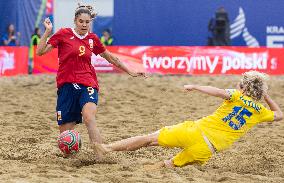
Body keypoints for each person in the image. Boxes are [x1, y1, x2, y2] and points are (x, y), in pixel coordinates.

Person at [95, 71, 283, 168]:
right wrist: (265, 96)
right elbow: (279, 115)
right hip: (205, 149)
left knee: (149, 139)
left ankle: (107, 148)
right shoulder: (260, 111)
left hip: (194, 131)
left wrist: (195, 86)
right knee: (165, 166)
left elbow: (217, 91)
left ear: (243, 87)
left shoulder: (236, 95)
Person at [36, 4, 146, 158]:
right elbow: (40, 52)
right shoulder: (63, 34)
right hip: (66, 84)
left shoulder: (93, 39)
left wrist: (130, 71)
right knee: (66, 135)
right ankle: (73, 158)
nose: (84, 25)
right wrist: (47, 31)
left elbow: (111, 58)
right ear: (75, 20)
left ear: (90, 23)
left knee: (88, 116)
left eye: (87, 22)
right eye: (81, 21)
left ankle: (100, 155)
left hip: (87, 82)